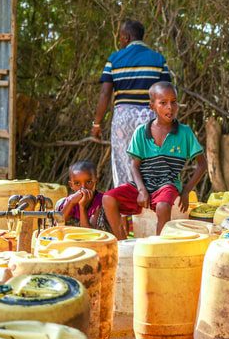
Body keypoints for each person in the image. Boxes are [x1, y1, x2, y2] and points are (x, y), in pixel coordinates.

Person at [99, 82, 207, 239]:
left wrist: (186, 191)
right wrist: (142, 190)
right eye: (163, 103)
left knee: (163, 206)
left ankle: (158, 247)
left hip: (167, 185)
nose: (170, 107)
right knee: (108, 198)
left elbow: (202, 164)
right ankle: (122, 243)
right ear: (152, 106)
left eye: (174, 101)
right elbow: (134, 166)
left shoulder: (185, 133)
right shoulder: (141, 132)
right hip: (141, 184)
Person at [90, 20, 172, 187]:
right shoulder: (158, 59)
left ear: (126, 37)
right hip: (149, 118)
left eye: (121, 37)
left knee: (123, 162)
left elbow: (105, 93)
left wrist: (96, 124)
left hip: (123, 118)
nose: (120, 40)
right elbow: (167, 93)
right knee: (150, 162)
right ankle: (149, 207)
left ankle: (126, 205)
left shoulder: (114, 59)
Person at [55, 160, 107, 229]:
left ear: (96, 181)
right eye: (77, 183)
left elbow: (90, 233)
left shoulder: (101, 202)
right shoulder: (70, 200)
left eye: (88, 182)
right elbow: (57, 225)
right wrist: (70, 202)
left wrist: (82, 207)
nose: (83, 188)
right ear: (71, 185)